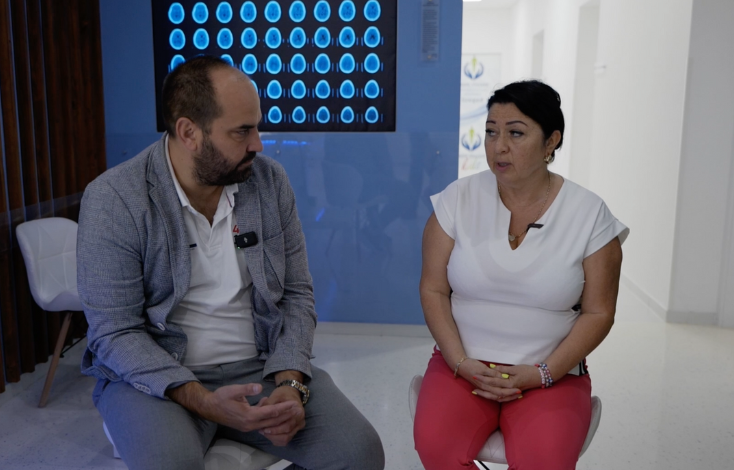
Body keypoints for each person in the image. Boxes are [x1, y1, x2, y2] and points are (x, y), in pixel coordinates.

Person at [77, 56, 384, 470]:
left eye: (257, 127)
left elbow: (296, 294)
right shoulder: (114, 199)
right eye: (242, 131)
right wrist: (201, 400)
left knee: (359, 453)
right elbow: (114, 331)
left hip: (261, 367)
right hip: (158, 378)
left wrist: (291, 382)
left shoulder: (269, 182)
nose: (258, 144)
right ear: (189, 133)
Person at [413, 80, 628, 470]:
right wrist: (459, 361)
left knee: (544, 461)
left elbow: (600, 312)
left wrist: (543, 374)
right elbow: (433, 289)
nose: (498, 146)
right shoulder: (456, 200)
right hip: (462, 367)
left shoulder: (590, 214)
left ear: (551, 142)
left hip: (550, 374)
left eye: (515, 133)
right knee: (436, 447)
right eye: (491, 132)